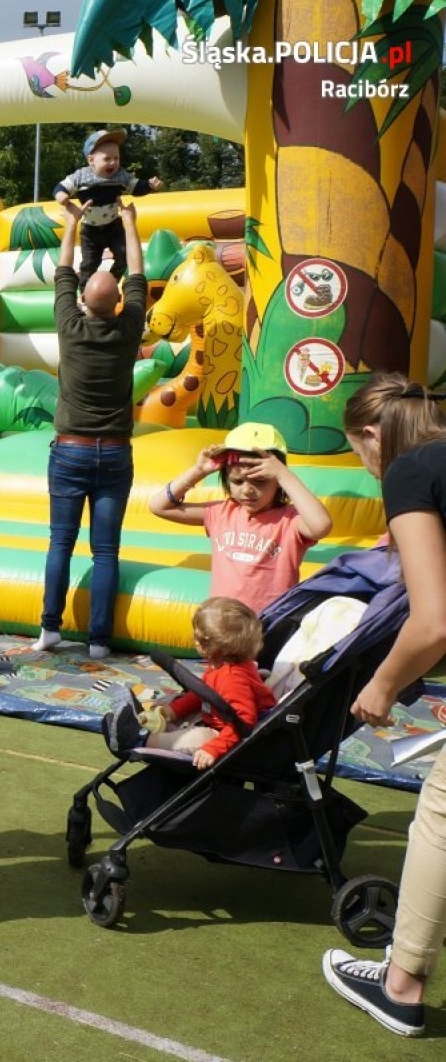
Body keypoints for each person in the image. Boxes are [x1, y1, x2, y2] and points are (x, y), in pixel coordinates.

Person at [320, 372, 446, 1038]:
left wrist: (382, 684)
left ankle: (401, 984)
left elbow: (433, 623)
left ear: (372, 434)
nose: (366, 467)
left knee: (442, 809)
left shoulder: (412, 469)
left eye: (357, 453)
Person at [33, 202, 146, 661]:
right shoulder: (129, 329)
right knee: (106, 552)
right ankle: (99, 640)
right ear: (118, 304)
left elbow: (63, 270)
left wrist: (72, 223)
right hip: (115, 454)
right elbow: (138, 274)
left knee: (61, 541)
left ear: (83, 301)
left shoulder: (70, 326)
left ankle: (49, 630)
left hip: (71, 452)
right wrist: (132, 225)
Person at [149, 423, 333, 614]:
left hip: (268, 624)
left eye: (259, 481)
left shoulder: (289, 520)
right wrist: (198, 471)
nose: (247, 490)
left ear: (278, 482)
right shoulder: (220, 513)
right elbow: (158, 506)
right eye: (237, 481)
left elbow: (321, 526)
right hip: (221, 623)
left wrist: (284, 474)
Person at [143, 596, 275, 770]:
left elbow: (244, 723)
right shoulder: (219, 665)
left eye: (200, 639)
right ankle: (154, 723)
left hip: (234, 736)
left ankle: (143, 739)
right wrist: (172, 711)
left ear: (218, 646)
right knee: (169, 702)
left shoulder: (232, 679)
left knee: (198, 738)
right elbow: (201, 694)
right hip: (215, 716)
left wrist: (214, 748)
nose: (195, 642)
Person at [53, 128, 162, 291]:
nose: (113, 163)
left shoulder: (120, 175)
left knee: (124, 257)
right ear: (91, 160)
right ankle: (84, 292)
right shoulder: (81, 176)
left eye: (116, 158)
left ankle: (111, 282)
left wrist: (149, 186)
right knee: (90, 264)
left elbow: (135, 187)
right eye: (107, 158)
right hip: (90, 231)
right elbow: (61, 186)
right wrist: (61, 196)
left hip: (114, 227)